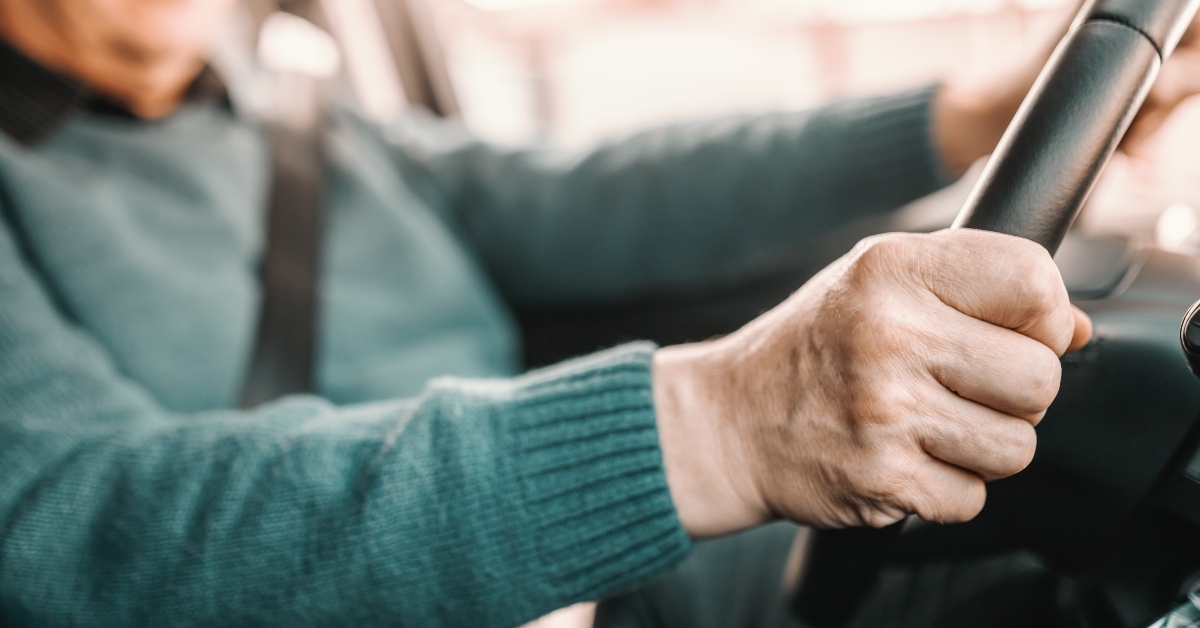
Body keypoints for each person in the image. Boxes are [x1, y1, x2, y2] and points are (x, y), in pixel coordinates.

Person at [0, 0, 1196, 626]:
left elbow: (606, 198)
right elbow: (78, 517)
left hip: (625, 580)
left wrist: (962, 117)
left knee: (1124, 460)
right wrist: (726, 425)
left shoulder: (307, 120)